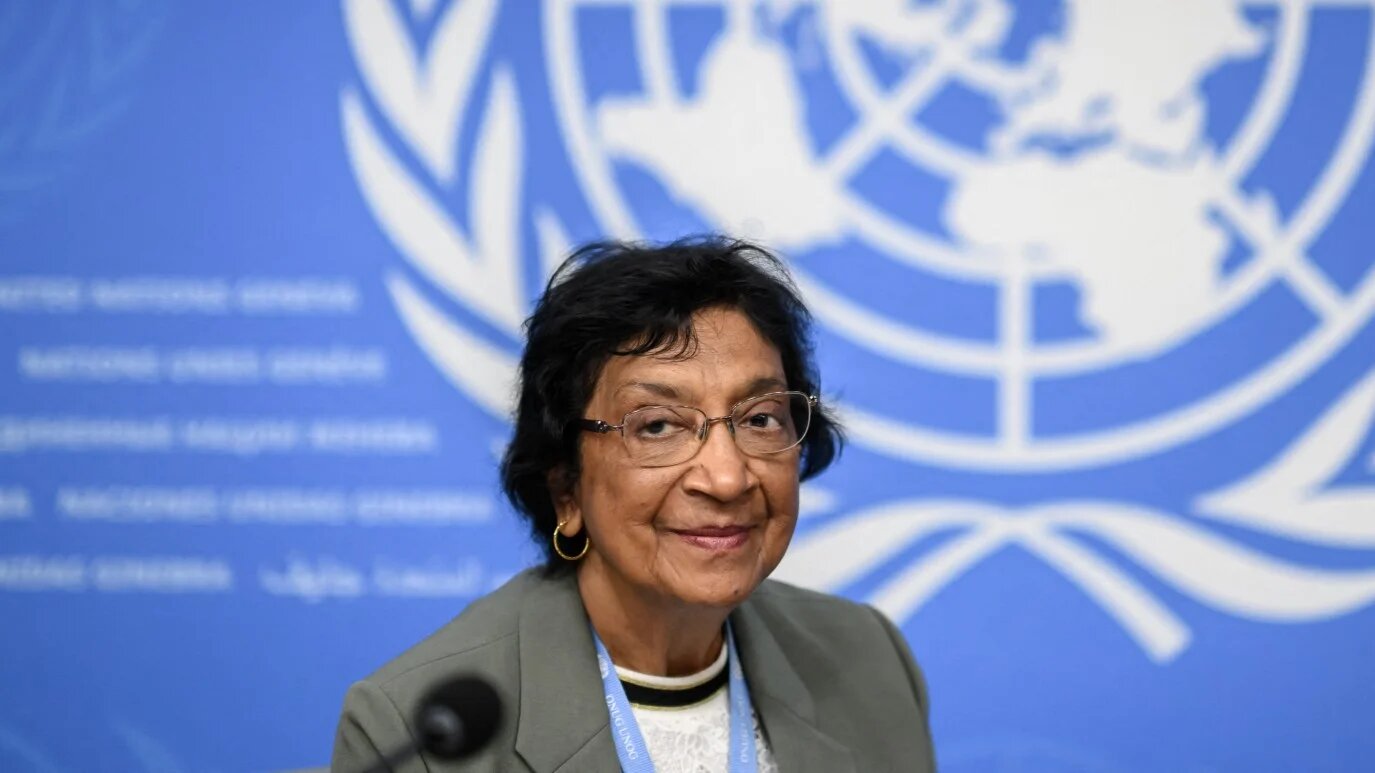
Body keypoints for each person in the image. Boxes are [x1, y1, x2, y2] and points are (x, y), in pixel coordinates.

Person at [331, 237, 936, 772]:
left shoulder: (868, 657)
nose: (726, 478)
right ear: (566, 484)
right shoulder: (416, 727)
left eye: (758, 418)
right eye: (657, 427)